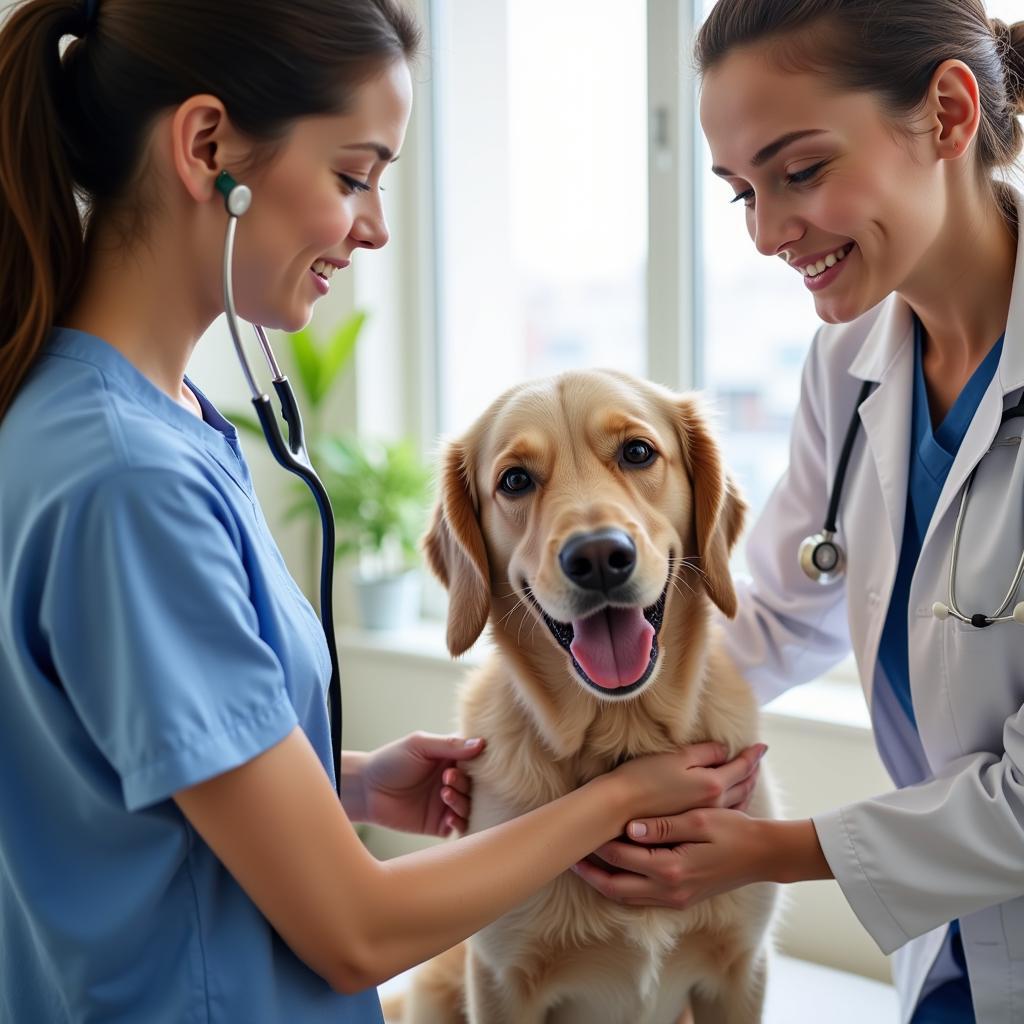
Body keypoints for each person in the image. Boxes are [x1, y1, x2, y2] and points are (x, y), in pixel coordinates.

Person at [0, 1, 768, 1021]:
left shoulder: (103, 416)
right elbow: (353, 929)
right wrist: (621, 797)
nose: (375, 225)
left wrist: (343, 782)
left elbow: (105, 766)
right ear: (207, 148)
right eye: (353, 174)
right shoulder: (128, 478)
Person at [571, 2, 1024, 1022]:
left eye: (800, 171)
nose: (769, 233)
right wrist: (561, 740)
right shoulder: (850, 362)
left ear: (948, 113)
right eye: (741, 192)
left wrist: (774, 850)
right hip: (956, 954)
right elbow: (773, 613)